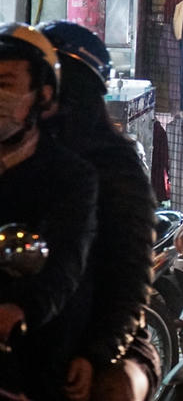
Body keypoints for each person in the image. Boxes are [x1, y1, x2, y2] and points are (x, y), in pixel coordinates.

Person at [40, 22, 159, 401]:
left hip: (107, 333)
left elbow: (129, 276)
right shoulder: (22, 151)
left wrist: (98, 351)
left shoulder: (114, 162)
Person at [0, 24, 98, 401]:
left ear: (42, 96)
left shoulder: (71, 177)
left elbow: (66, 260)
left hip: (35, 354)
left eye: (6, 84)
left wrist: (23, 307)